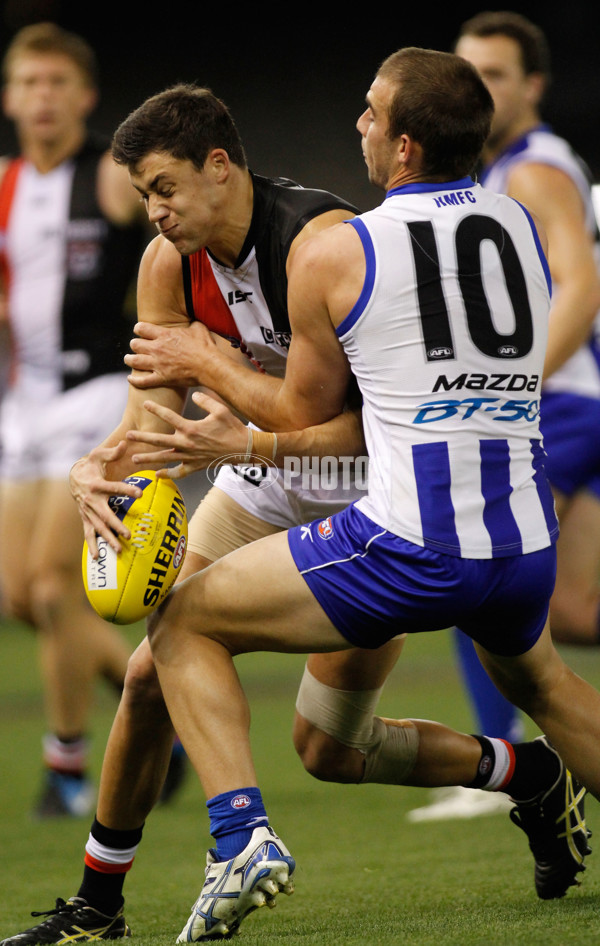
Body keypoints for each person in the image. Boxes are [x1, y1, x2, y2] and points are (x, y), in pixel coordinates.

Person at [1, 66, 592, 944]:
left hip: (359, 488)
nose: (156, 211)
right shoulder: (168, 264)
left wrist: (217, 386)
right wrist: (105, 467)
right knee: (149, 668)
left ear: (220, 168)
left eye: (166, 188)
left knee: (330, 750)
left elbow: (358, 429)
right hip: (264, 477)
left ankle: (521, 774)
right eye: (142, 195)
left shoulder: (323, 240)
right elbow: (153, 420)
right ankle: (99, 905)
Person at [408, 10, 600, 823]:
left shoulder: (534, 170)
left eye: (493, 74)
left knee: (468, 558)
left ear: (533, 87)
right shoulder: (492, 172)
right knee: (572, 611)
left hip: (557, 403)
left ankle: (499, 759)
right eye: (465, 73)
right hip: (563, 401)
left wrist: (515, 387)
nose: (476, 88)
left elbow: (581, 288)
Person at [0, 23, 151, 818]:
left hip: (95, 397)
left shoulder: (110, 177)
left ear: (84, 96)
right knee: (21, 597)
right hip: (20, 406)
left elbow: (181, 233)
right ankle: (159, 712)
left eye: (58, 82)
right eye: (29, 83)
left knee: (57, 589)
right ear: (10, 97)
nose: (44, 97)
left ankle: (65, 770)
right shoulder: (3, 183)